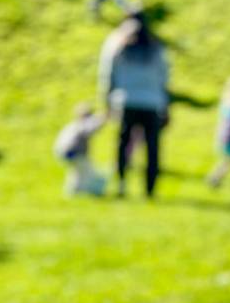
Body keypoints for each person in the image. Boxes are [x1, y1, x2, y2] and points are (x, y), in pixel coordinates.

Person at [98, 14, 169, 198]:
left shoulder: (118, 45)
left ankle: (122, 184)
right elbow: (164, 77)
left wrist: (107, 100)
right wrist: (165, 104)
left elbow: (107, 74)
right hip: (151, 102)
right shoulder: (156, 47)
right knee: (152, 148)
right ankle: (150, 189)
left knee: (123, 145)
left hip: (126, 101)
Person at [53, 103, 107, 196]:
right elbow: (89, 129)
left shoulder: (72, 125)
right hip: (73, 152)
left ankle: (72, 192)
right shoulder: (81, 125)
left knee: (77, 171)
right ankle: (80, 192)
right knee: (86, 172)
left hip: (63, 152)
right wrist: (101, 120)